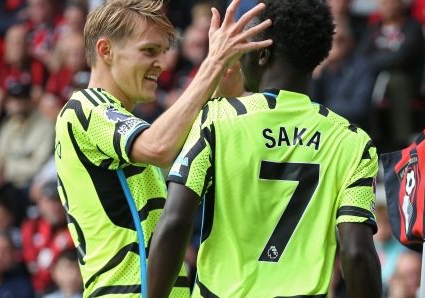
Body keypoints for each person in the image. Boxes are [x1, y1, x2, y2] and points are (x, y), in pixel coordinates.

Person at [147, 0, 382, 297]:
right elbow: (357, 252)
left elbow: (175, 221)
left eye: (245, 48)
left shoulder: (217, 119)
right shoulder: (352, 141)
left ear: (262, 55)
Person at [54, 0, 272, 297]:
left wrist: (227, 90)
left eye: (164, 52)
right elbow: (159, 147)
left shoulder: (126, 125)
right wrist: (212, 64)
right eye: (149, 51)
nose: (162, 63)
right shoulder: (84, 107)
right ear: (106, 51)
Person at [356, 0, 425, 148]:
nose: (388, 6)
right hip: (375, 76)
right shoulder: (373, 29)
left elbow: (403, 56)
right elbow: (361, 57)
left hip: (405, 78)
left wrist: (376, 61)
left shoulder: (413, 27)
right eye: (384, 3)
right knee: (361, 81)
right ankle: (365, 135)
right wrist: (382, 61)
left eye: (393, 2)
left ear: (402, 4)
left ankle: (403, 140)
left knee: (395, 82)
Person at [312, 19, 375, 130]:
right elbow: (307, 102)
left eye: (340, 40)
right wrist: (316, 77)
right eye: (330, 39)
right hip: (318, 126)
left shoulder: (362, 68)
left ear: (350, 42)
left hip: (350, 128)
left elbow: (359, 109)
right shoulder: (317, 67)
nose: (334, 45)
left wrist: (322, 109)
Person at [0, 83, 55, 190]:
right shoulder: (7, 125)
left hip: (33, 184)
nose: (18, 103)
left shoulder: (46, 125)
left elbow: (37, 166)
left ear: (30, 100)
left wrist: (7, 166)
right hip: (7, 183)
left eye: (22, 99)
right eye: (14, 99)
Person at [21, 180, 73, 293]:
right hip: (31, 286)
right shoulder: (30, 227)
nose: (54, 207)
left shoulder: (73, 229)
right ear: (40, 203)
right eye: (48, 202)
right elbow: (29, 261)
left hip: (63, 288)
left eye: (57, 201)